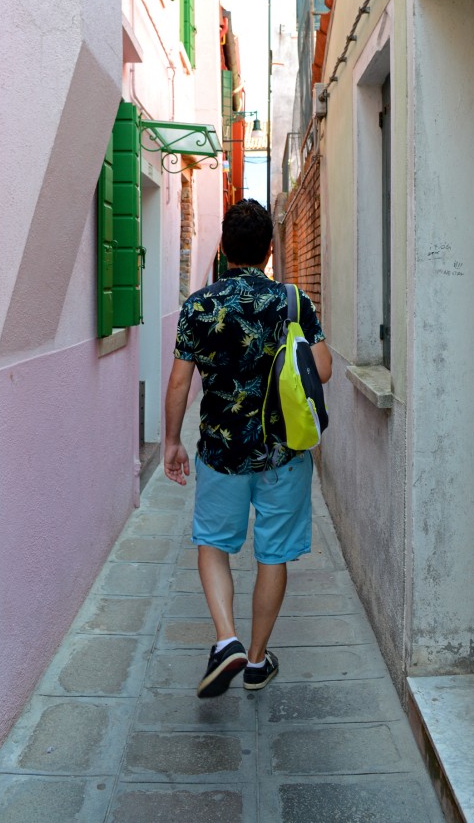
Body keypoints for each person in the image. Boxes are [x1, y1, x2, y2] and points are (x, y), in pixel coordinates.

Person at [163, 198, 332, 698]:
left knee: (213, 545)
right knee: (273, 555)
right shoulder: (294, 301)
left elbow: (178, 384)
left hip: (221, 453)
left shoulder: (200, 306)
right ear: (269, 249)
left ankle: (226, 639)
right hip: (283, 453)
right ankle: (256, 661)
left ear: (223, 248)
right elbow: (320, 371)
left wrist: (171, 441)